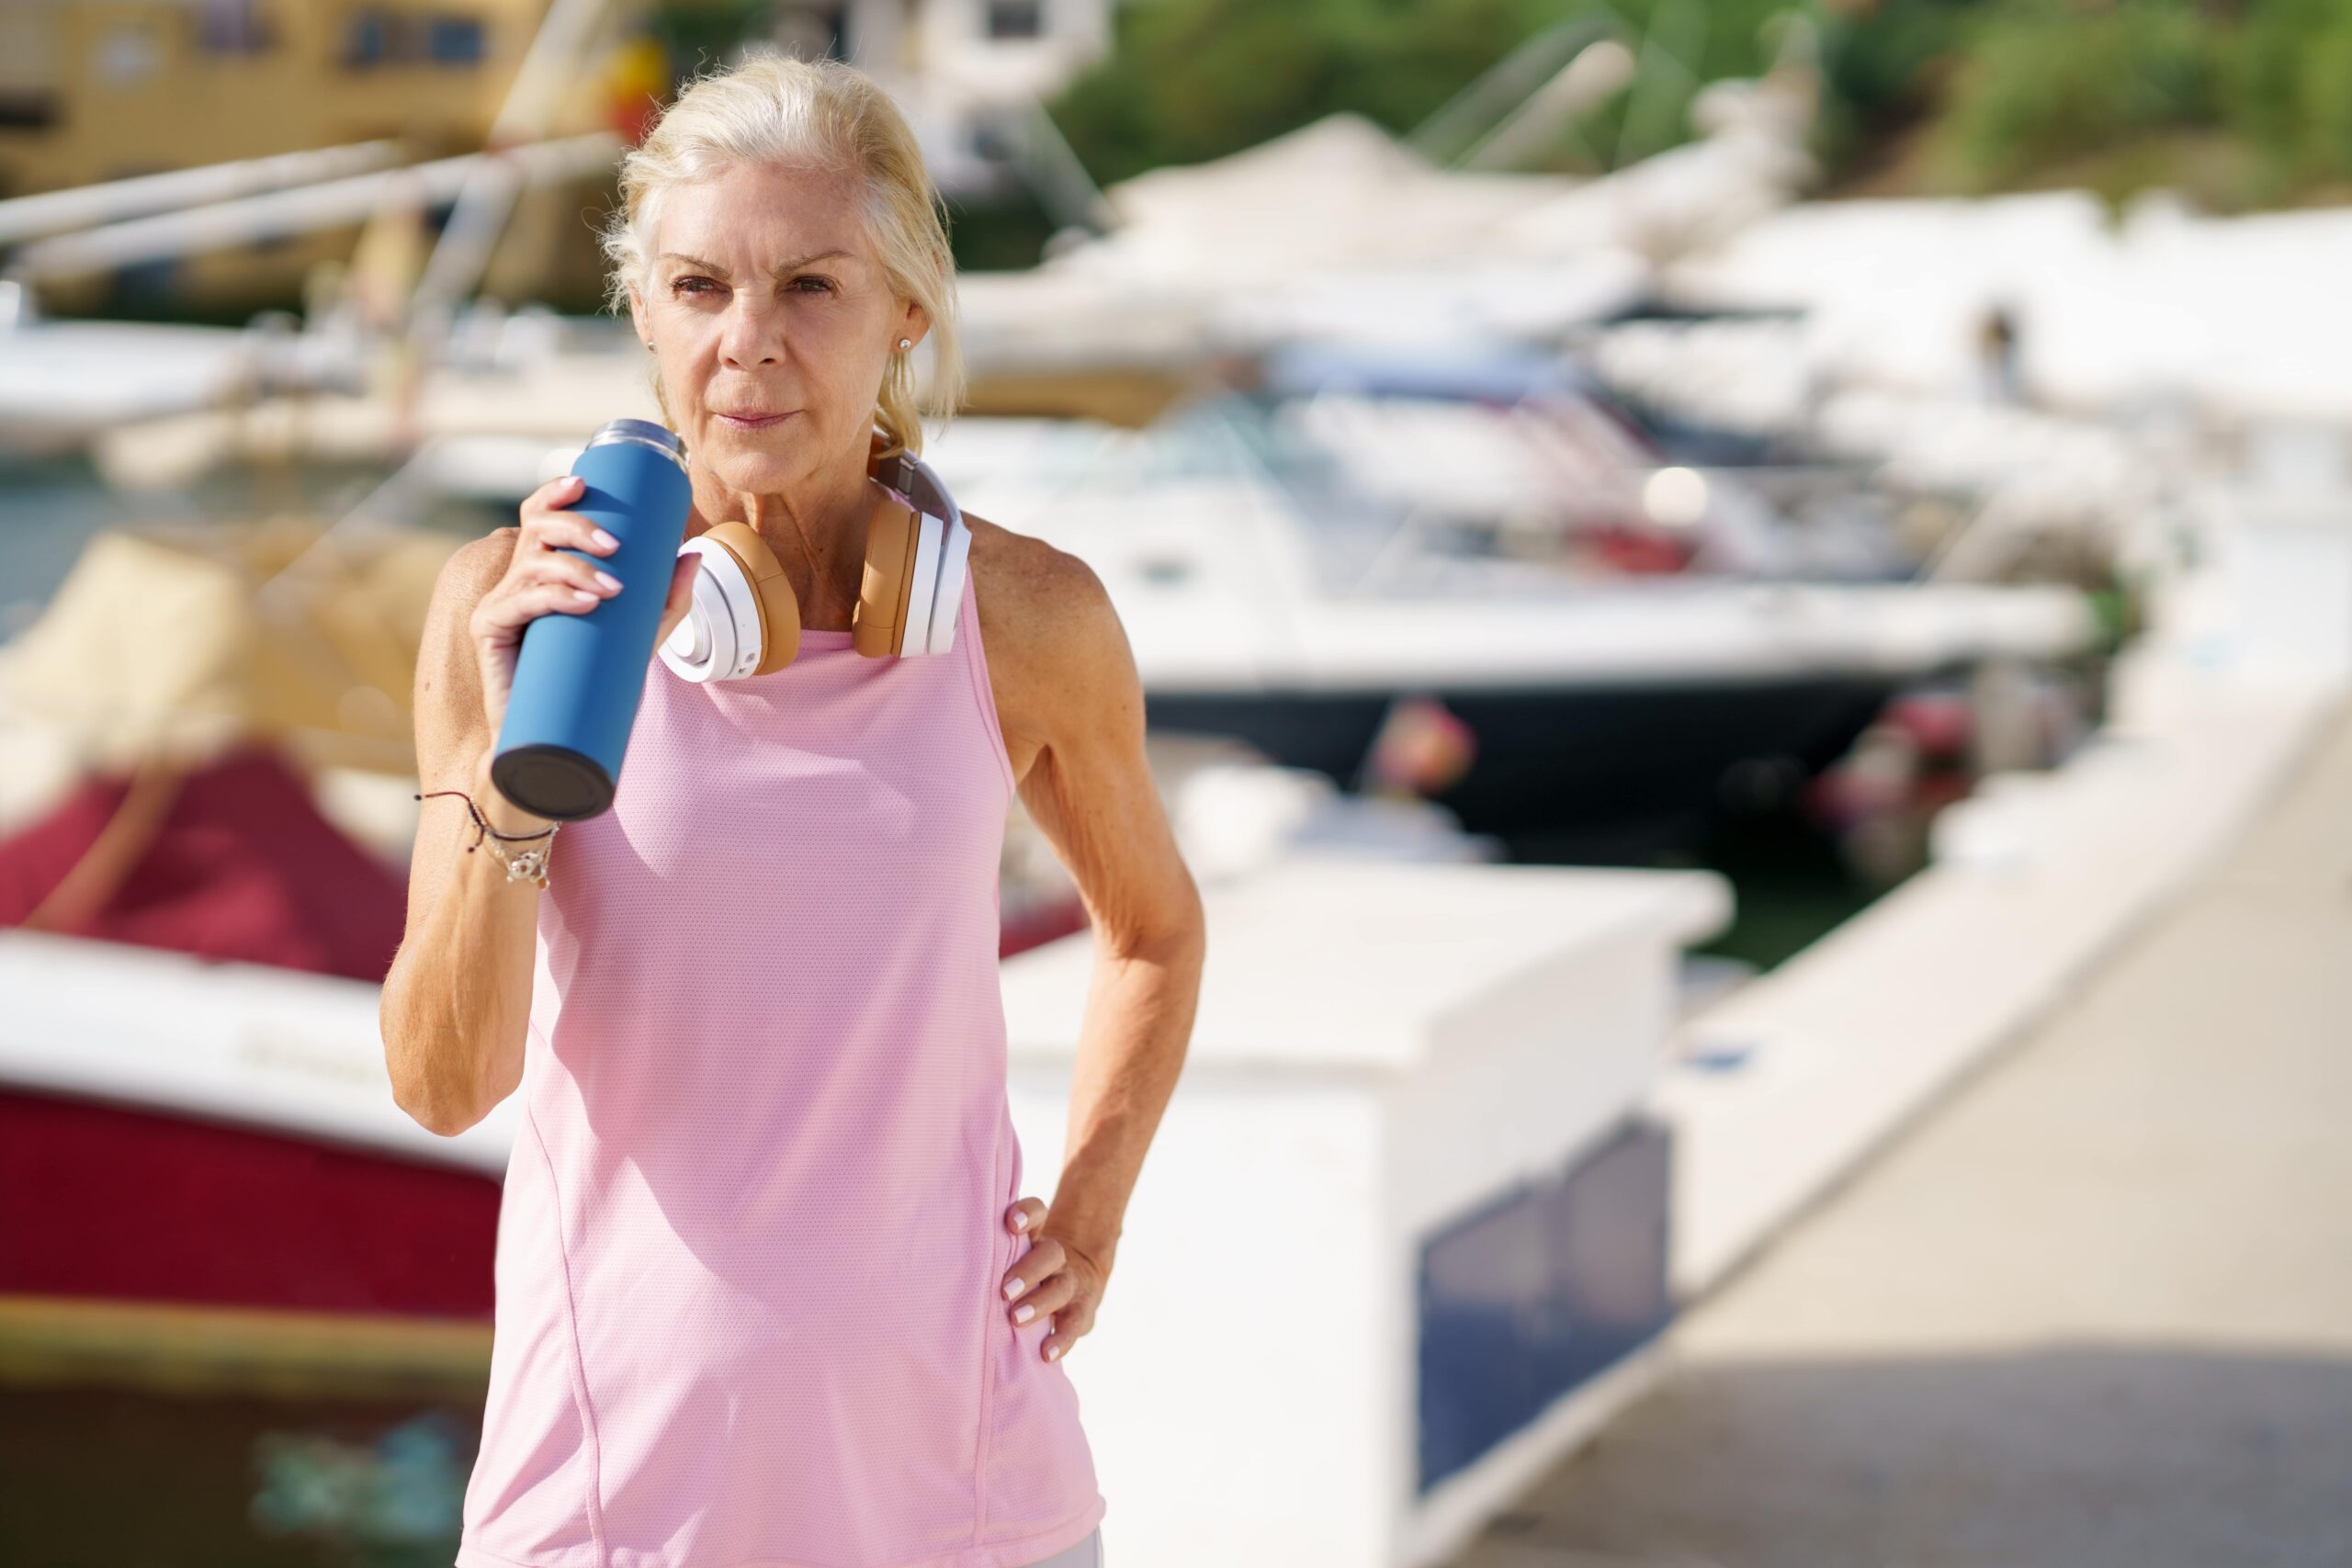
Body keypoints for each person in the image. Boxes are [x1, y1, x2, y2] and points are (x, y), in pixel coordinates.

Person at [379, 52, 1205, 1568]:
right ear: (642, 310)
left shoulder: (1027, 621)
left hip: (966, 1486)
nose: (746, 345)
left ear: (908, 309)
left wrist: (1091, 1210)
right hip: (615, 1488)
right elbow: (445, 1083)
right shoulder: (505, 608)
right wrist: (514, 767)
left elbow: (1150, 927)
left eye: (809, 287)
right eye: (699, 287)